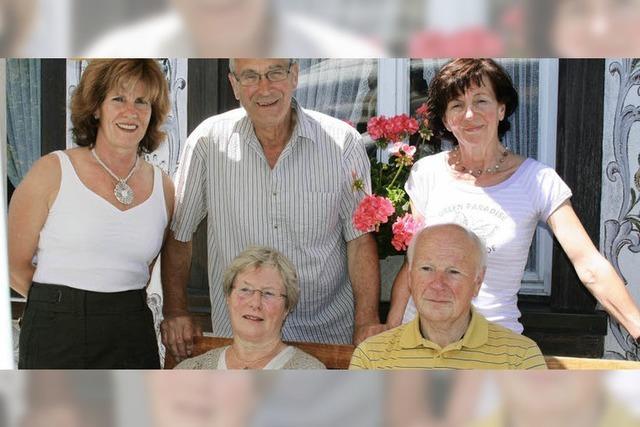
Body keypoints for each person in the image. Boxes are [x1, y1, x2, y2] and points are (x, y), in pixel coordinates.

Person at [386, 58, 640, 342]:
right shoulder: (427, 173)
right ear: (446, 120)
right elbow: (412, 265)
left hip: (495, 345)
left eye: (481, 101)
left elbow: (589, 265)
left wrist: (637, 326)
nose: (470, 114)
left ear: (501, 109)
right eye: (457, 105)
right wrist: (391, 335)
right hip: (420, 340)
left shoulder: (537, 181)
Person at [162, 58, 383, 362]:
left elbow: (360, 240)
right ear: (234, 85)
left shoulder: (342, 143)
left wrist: (367, 322)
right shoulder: (207, 142)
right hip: (242, 340)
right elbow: (180, 236)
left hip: (326, 336)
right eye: (250, 76)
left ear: (294, 75)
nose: (264, 88)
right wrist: (175, 311)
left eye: (275, 73)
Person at [8, 59, 173, 368]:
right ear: (96, 107)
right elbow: (13, 265)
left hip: (132, 328)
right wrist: (63, 306)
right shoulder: (53, 170)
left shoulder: (163, 186)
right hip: (57, 330)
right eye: (119, 99)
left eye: (142, 101)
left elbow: (141, 268)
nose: (131, 112)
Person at [349, 224, 546, 369]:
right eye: (427, 269)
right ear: (409, 278)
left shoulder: (520, 359)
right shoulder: (372, 357)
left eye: (453, 272)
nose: (438, 284)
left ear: (477, 281)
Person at [176, 246, 325, 369]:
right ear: (228, 297)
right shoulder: (190, 369)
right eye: (245, 290)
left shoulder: (311, 373)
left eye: (269, 293)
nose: (255, 303)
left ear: (287, 308)